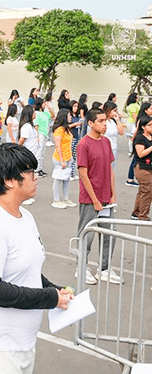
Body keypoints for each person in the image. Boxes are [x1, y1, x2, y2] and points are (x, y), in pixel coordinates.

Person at [0, 142, 73, 374]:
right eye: (30, 171)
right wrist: (49, 298)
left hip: (21, 344)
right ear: (9, 180)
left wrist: (55, 289)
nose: (36, 176)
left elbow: (27, 269)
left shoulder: (26, 216)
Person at [75, 108, 123, 285]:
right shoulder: (84, 144)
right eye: (101, 121)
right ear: (90, 123)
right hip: (90, 199)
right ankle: (81, 267)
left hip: (106, 198)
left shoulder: (106, 142)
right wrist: (95, 200)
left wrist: (113, 193)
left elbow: (110, 169)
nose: (105, 124)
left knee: (109, 234)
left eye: (105, 121)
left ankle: (104, 269)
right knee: (87, 235)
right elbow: (83, 174)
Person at [51, 109, 76, 209]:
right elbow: (58, 146)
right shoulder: (59, 130)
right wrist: (62, 160)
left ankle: (65, 198)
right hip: (59, 158)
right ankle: (56, 200)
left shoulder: (67, 129)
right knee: (58, 179)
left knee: (66, 179)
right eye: (69, 116)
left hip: (68, 157)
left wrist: (70, 157)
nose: (70, 117)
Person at [131, 115, 152, 221]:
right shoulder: (140, 138)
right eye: (150, 125)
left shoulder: (151, 136)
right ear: (143, 127)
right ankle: (142, 215)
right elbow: (140, 154)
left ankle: (136, 212)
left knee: (143, 191)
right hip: (142, 167)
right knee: (147, 190)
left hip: (149, 166)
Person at [127, 103, 152, 187]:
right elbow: (136, 131)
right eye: (150, 109)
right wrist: (134, 139)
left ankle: (130, 178)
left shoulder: (148, 119)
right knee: (136, 160)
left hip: (145, 142)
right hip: (140, 143)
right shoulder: (142, 120)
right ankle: (130, 178)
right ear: (145, 110)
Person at [33, 98, 50, 177]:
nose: (44, 105)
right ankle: (36, 169)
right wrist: (37, 137)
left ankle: (40, 168)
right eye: (43, 103)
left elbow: (52, 116)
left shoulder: (44, 113)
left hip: (45, 133)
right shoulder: (36, 113)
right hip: (40, 133)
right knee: (39, 152)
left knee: (43, 153)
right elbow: (36, 125)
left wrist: (48, 107)